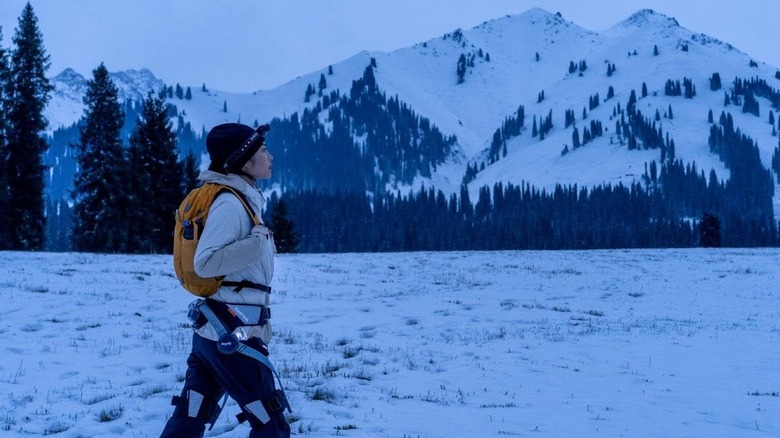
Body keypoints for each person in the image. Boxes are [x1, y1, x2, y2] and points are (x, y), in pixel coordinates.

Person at [161, 123, 290, 438]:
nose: (270, 157)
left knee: (191, 415)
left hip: (215, 332)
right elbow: (205, 263)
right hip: (232, 332)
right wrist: (257, 243)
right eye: (263, 151)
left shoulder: (238, 198)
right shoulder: (230, 204)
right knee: (270, 422)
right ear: (243, 160)